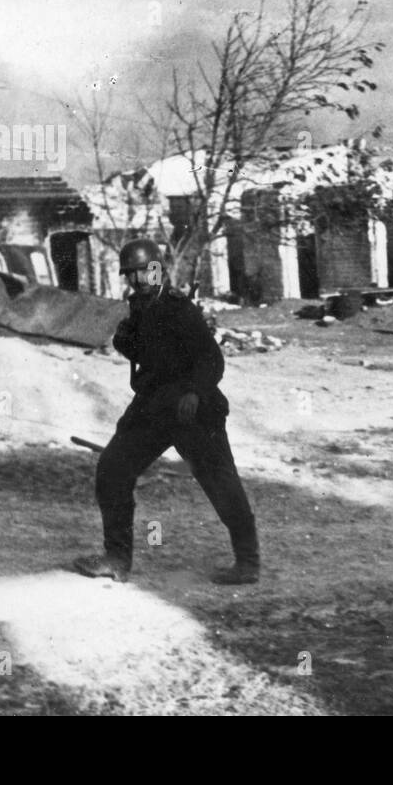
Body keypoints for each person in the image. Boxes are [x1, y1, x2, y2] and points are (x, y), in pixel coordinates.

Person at [73, 238, 261, 585]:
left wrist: (194, 391)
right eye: (130, 275)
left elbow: (211, 360)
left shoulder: (179, 308)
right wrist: (125, 334)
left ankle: (247, 562)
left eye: (144, 272)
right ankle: (116, 558)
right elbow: (137, 350)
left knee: (220, 481)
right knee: (113, 470)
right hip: (153, 407)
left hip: (193, 410)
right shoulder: (139, 309)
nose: (137, 280)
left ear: (158, 269)